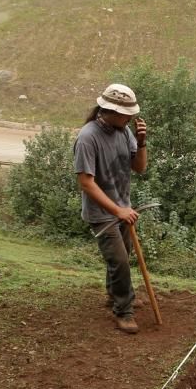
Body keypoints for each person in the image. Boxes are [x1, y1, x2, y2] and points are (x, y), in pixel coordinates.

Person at [73, 83, 148, 334]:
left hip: (123, 209)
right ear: (110, 111)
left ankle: (114, 294)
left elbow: (139, 168)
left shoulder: (124, 131)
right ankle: (123, 311)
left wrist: (142, 142)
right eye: (126, 113)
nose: (130, 118)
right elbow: (86, 183)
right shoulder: (88, 137)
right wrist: (117, 211)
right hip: (103, 215)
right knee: (120, 262)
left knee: (121, 258)